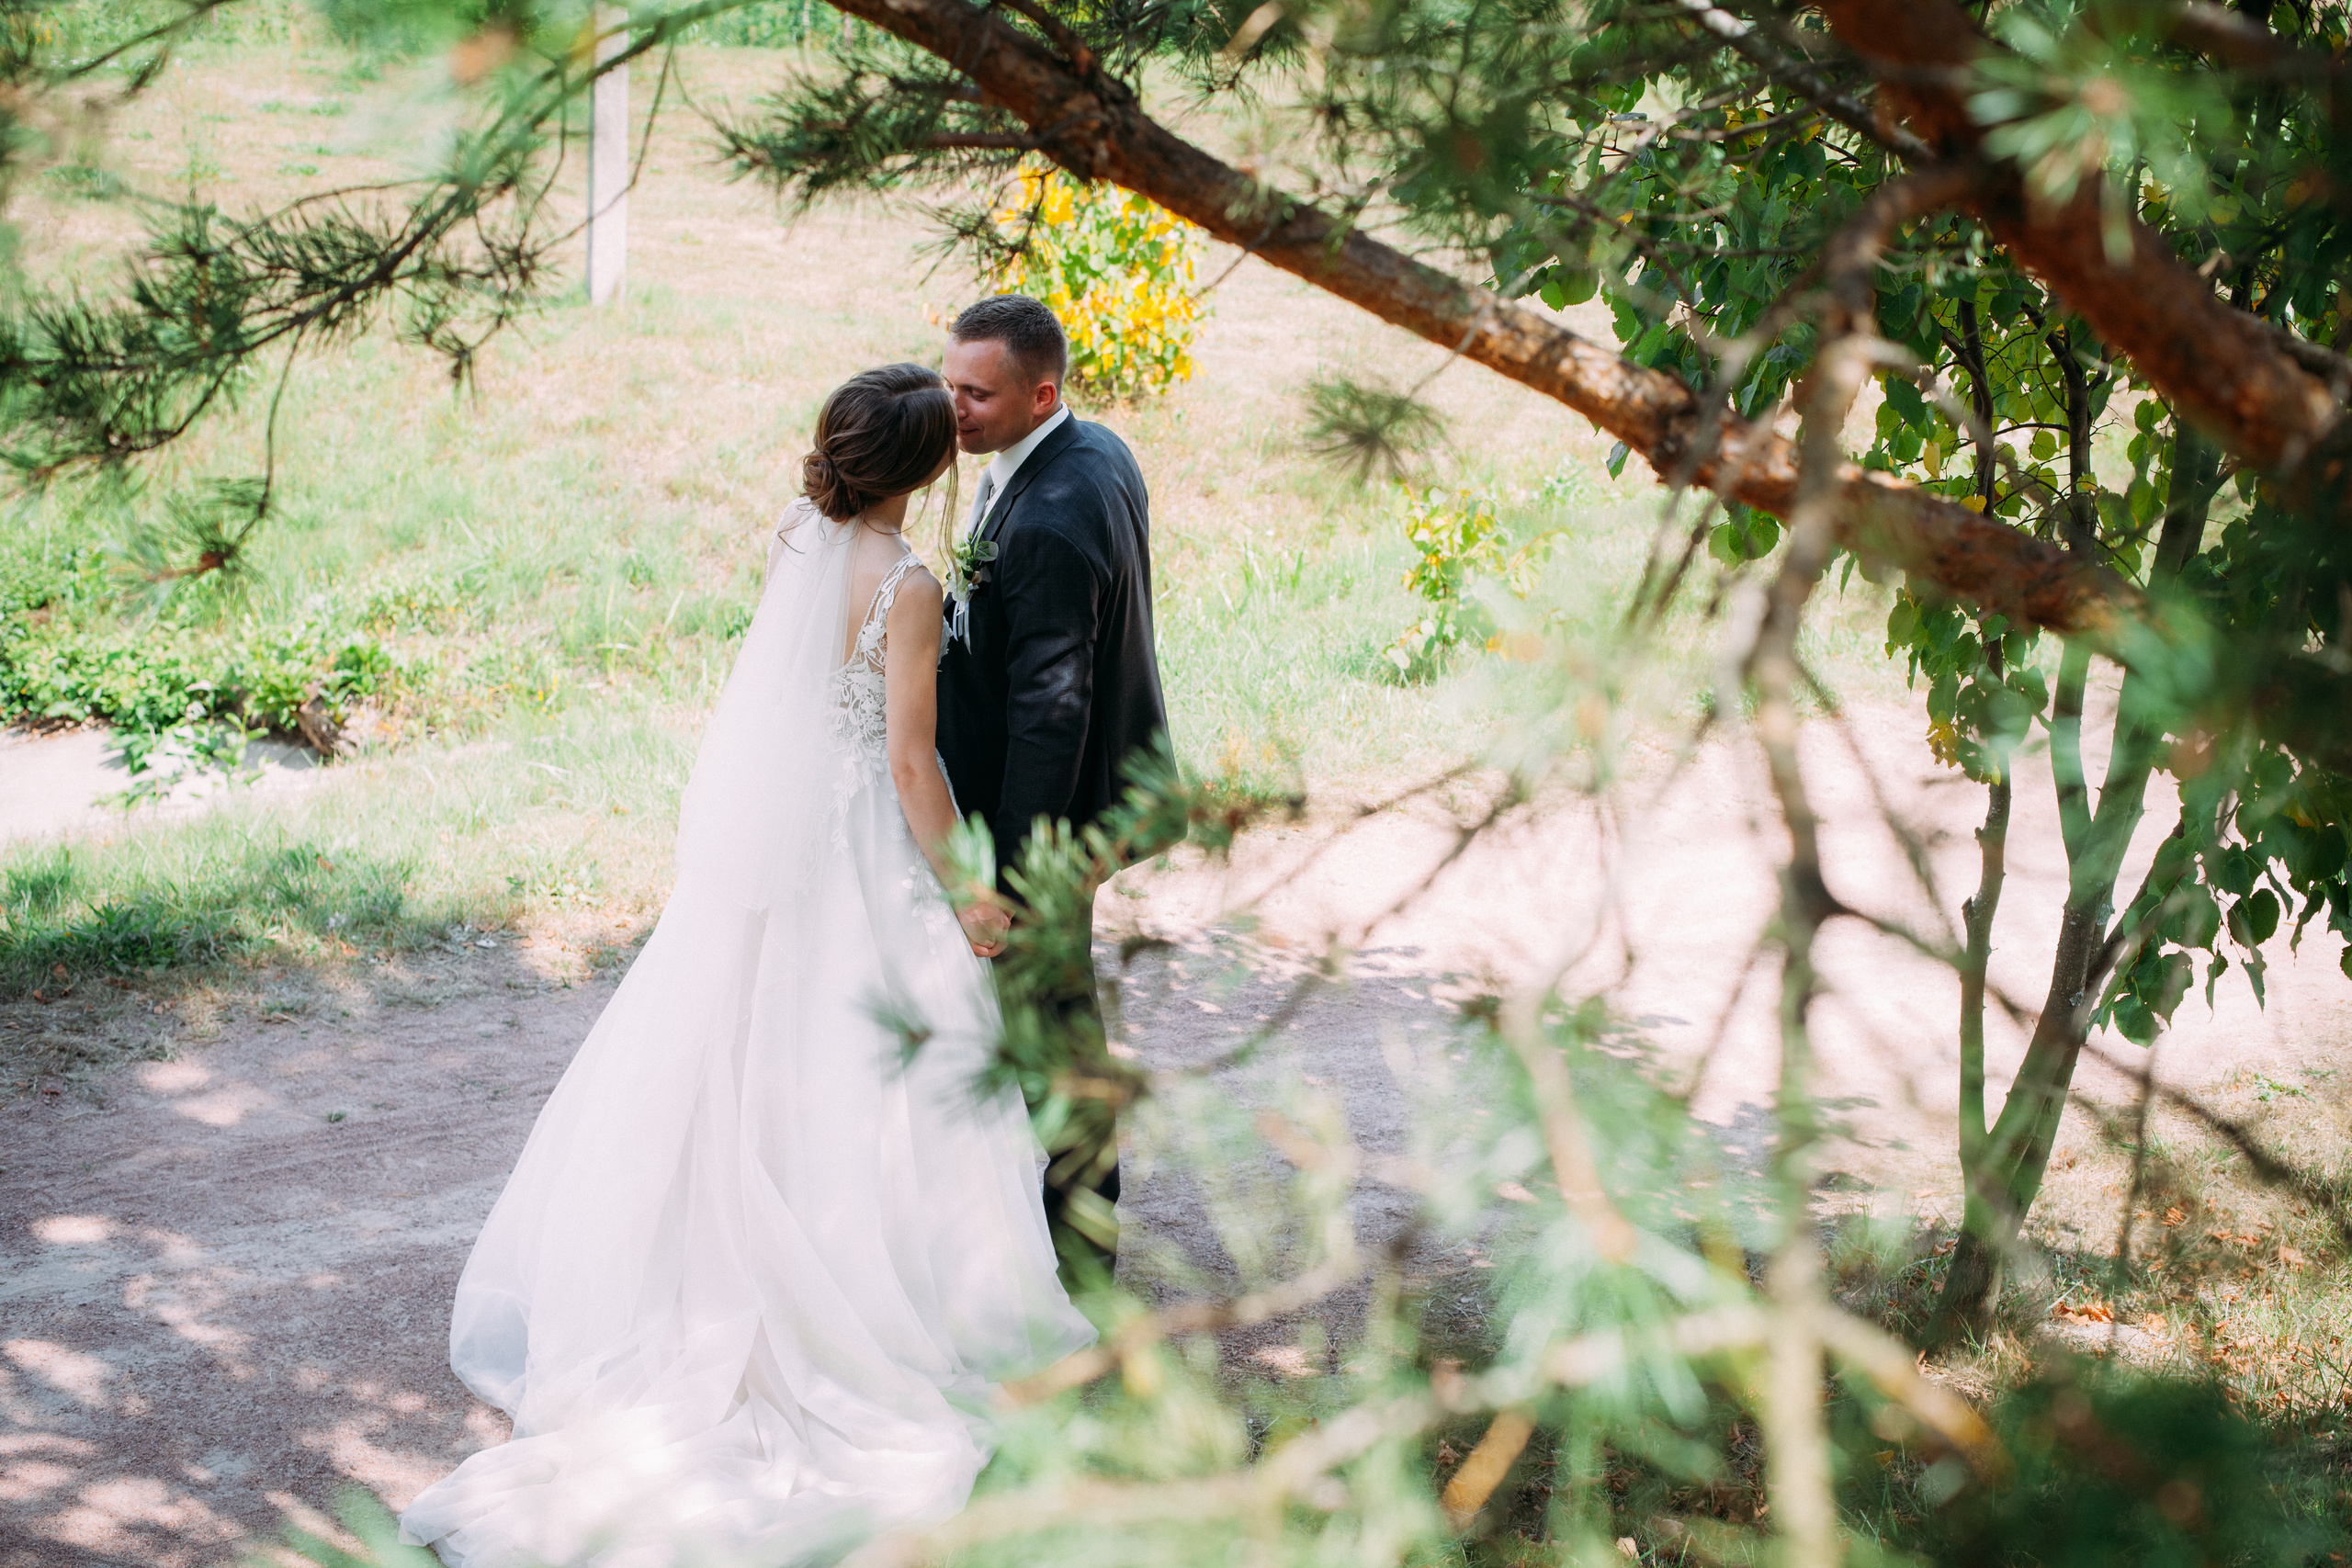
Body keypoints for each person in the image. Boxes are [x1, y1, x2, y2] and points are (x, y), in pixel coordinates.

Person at [397, 364, 1094, 1568]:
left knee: (749, 1057)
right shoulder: (909, 584)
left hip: (776, 855)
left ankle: (717, 1289)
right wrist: (972, 895)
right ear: (932, 469)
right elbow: (911, 767)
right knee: (871, 1077)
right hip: (864, 856)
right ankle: (870, 1324)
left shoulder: (796, 540)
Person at [934, 295, 1170, 1286]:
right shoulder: (1090, 451)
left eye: (976, 394)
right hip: (1087, 801)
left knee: (1057, 1041)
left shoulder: (1052, 521)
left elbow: (1050, 713)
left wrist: (1018, 883)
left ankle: (1080, 1273)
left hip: (1045, 828)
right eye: (948, 383)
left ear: (1040, 394)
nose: (953, 408)